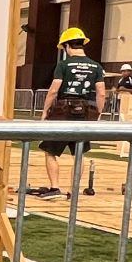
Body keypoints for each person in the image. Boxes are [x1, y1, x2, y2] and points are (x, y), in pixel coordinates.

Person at [33, 27, 105, 200]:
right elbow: (101, 92)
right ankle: (74, 191)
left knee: (50, 150)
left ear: (66, 46)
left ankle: (55, 188)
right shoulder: (96, 66)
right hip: (86, 111)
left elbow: (53, 90)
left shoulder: (64, 65)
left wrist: (45, 112)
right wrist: (98, 113)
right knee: (79, 153)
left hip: (63, 111)